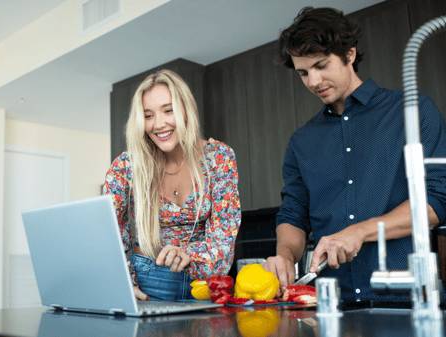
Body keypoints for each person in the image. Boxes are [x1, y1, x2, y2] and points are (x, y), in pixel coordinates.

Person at [263, 7, 446, 302]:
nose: (313, 81)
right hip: (333, 304)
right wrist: (284, 255)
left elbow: (439, 199)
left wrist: (359, 232)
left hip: (406, 300)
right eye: (304, 73)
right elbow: (293, 213)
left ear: (349, 54)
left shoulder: (412, 111)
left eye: (321, 65)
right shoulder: (301, 141)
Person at [103, 69, 241, 301]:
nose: (159, 124)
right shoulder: (127, 166)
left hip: (207, 283)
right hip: (150, 280)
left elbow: (224, 234)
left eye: (168, 111)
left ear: (186, 109)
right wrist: (124, 281)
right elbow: (109, 232)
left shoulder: (219, 157)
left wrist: (187, 254)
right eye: (148, 115)